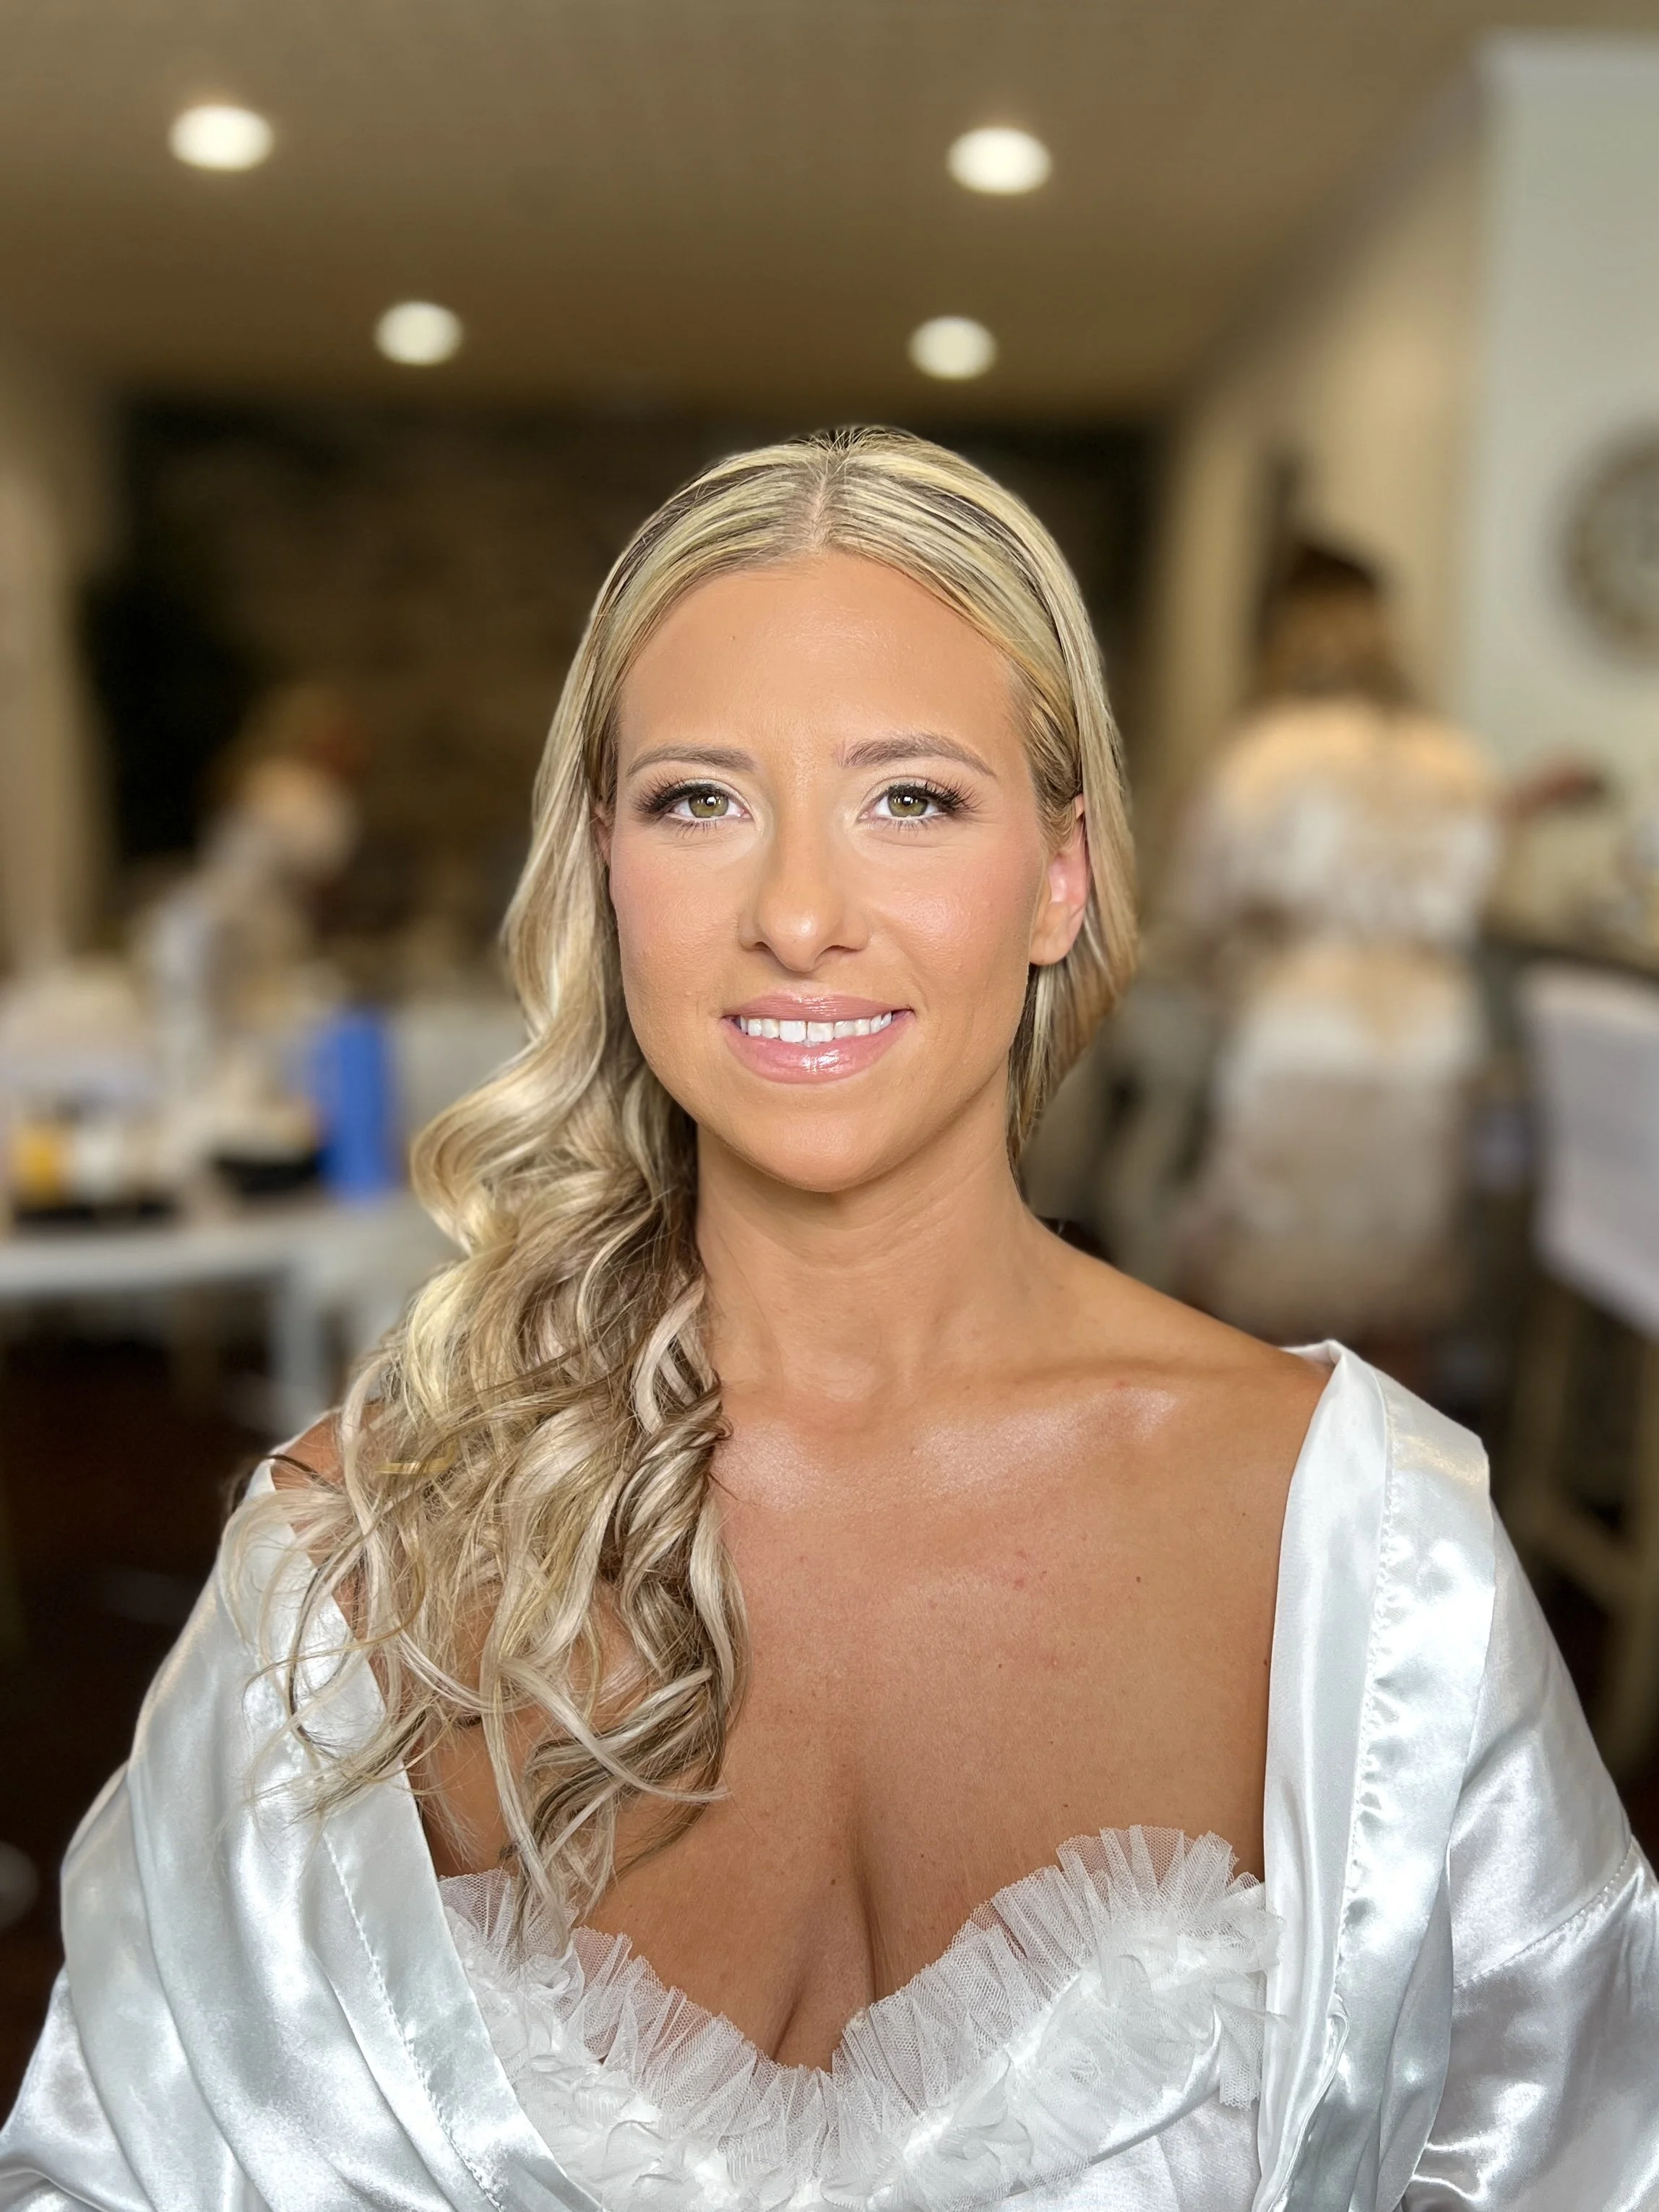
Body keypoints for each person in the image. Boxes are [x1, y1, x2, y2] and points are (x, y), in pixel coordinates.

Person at [1, 433, 1654, 2210]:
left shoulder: (1372, 1558)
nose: (797, 915)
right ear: (606, 871)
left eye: (913, 798)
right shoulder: (345, 1563)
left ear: (1062, 877)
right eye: (699, 800)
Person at [1161, 543, 1503, 1361]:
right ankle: (1400, 1473)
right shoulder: (1459, 760)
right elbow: (1478, 896)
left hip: (1299, 1021)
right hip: (1429, 1026)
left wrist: (1219, 970)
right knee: (1401, 1274)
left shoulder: (1262, 753)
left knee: (1267, 1283)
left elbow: (1198, 906)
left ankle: (1265, 1470)